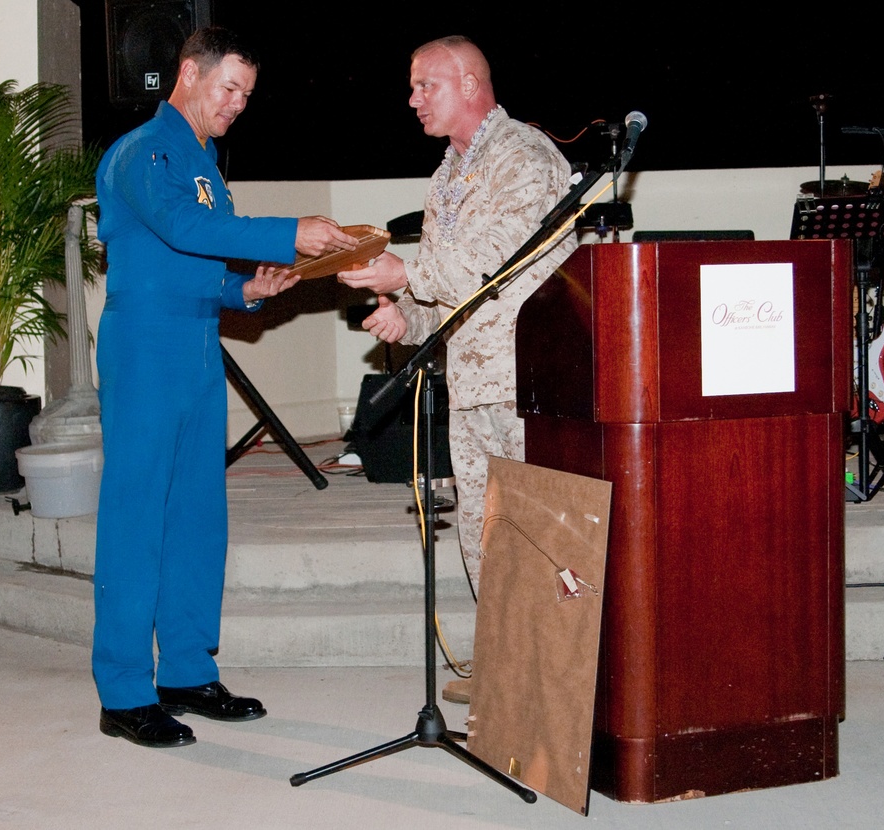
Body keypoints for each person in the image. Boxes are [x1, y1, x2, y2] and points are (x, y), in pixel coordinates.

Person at [92, 26, 358, 748]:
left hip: (198, 343)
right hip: (146, 344)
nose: (238, 104)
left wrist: (246, 289)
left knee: (198, 515)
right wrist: (291, 231)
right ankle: (123, 690)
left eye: (246, 94)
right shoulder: (143, 152)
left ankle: (184, 669)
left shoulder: (206, 163)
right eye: (228, 88)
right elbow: (179, 229)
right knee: (137, 514)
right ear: (188, 74)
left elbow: (198, 258)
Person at [337, 35, 578, 703]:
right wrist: (406, 318)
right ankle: (507, 666)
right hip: (472, 382)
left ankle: (555, 683)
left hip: (530, 380)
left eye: (425, 86)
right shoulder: (449, 171)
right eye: (412, 88)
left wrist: (404, 271)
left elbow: (493, 261)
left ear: (471, 83)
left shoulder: (524, 158)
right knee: (484, 534)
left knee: (542, 533)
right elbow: (445, 290)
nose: (412, 99)